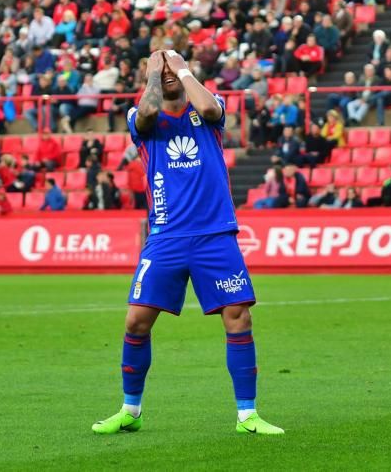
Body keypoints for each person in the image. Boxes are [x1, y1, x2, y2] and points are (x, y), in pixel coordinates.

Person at [93, 51, 283, 436]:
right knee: (136, 321)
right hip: (166, 235)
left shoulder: (208, 108)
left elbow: (210, 110)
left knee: (238, 317)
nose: (167, 76)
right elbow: (145, 115)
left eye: (171, 71)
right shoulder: (141, 117)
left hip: (215, 234)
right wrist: (152, 75)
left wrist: (180, 68)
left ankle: (247, 415)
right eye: (159, 71)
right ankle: (131, 410)